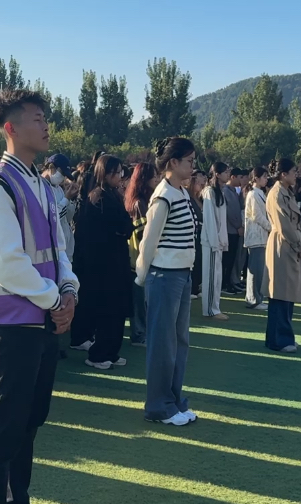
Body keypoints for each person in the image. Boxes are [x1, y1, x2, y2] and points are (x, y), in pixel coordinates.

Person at [0, 89, 79, 504]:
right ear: (10, 128)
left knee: (30, 422)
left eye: (45, 118)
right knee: (3, 429)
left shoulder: (43, 186)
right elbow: (7, 264)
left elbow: (58, 249)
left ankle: (19, 497)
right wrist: (56, 300)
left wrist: (68, 290)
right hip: (11, 325)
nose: (46, 126)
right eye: (37, 119)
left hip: (43, 320)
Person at [134, 137, 199, 425]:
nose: (193, 166)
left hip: (181, 275)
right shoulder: (163, 197)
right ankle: (158, 406)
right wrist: (142, 276)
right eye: (189, 161)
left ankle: (173, 400)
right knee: (163, 344)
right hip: (164, 276)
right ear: (173, 162)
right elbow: (148, 242)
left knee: (179, 342)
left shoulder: (180, 192)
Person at [72, 155, 132, 370]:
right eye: (115, 172)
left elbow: (126, 226)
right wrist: (122, 229)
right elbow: (119, 226)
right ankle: (98, 354)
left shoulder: (112, 194)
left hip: (116, 260)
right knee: (107, 310)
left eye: (120, 172)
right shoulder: (98, 197)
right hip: (103, 264)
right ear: (104, 173)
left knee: (117, 310)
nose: (119, 177)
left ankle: (111, 352)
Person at [265, 158, 301, 353]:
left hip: (290, 246)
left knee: (287, 295)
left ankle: (283, 336)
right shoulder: (276, 194)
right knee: (280, 294)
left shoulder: (287, 192)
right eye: (293, 171)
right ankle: (279, 340)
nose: (295, 175)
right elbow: (284, 226)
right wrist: (299, 245)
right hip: (282, 246)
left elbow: (298, 223)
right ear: (283, 174)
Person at [123, 162, 160, 346]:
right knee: (139, 298)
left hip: (141, 256)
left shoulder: (145, 199)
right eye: (154, 176)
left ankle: (142, 331)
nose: (157, 179)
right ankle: (139, 334)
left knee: (143, 298)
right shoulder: (139, 203)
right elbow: (142, 233)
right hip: (138, 256)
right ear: (144, 178)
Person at [200, 163, 231, 321]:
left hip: (218, 241)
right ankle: (211, 310)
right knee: (211, 277)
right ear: (217, 174)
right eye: (225, 172)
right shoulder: (209, 192)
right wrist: (214, 241)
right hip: (211, 242)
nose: (228, 175)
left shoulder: (220, 192)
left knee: (217, 276)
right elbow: (209, 219)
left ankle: (215, 307)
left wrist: (222, 240)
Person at [242, 167, 271, 310]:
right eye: (264, 177)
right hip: (255, 236)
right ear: (256, 178)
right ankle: (253, 299)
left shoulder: (260, 193)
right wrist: (271, 227)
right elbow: (257, 215)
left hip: (261, 236)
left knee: (259, 270)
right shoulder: (253, 194)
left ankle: (256, 297)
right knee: (255, 270)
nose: (266, 179)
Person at [43, 152, 77, 261]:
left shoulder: (58, 188)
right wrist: (66, 198)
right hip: (54, 250)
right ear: (51, 168)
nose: (63, 178)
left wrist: (70, 199)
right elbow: (53, 217)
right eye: (62, 173)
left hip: (66, 249)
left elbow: (67, 218)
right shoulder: (42, 188)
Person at [222, 166, 245, 295]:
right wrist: (238, 226)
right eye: (240, 177)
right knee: (227, 260)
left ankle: (230, 282)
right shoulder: (226, 191)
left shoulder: (234, 192)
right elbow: (230, 212)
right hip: (230, 230)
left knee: (232, 259)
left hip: (235, 231)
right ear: (233, 177)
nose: (241, 180)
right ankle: (225, 284)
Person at [187, 170, 208, 299]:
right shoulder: (188, 198)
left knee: (199, 259)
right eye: (199, 182)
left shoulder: (201, 198)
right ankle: (191, 289)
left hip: (202, 232)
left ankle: (197, 286)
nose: (201, 185)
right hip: (194, 232)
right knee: (194, 260)